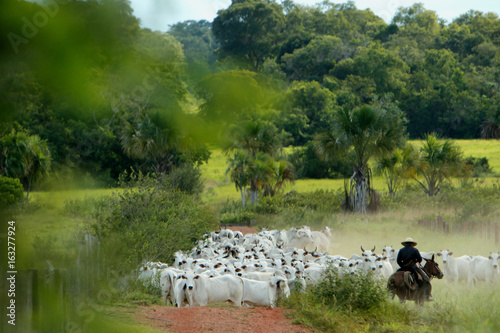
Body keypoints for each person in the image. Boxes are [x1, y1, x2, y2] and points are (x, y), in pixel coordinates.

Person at [396, 237, 433, 301]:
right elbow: (420, 259)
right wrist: (415, 260)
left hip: (403, 268)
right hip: (412, 267)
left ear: (405, 244)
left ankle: (390, 290)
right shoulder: (415, 250)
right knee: (425, 279)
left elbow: (398, 261)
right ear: (412, 244)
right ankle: (426, 295)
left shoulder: (401, 250)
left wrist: (403, 266)